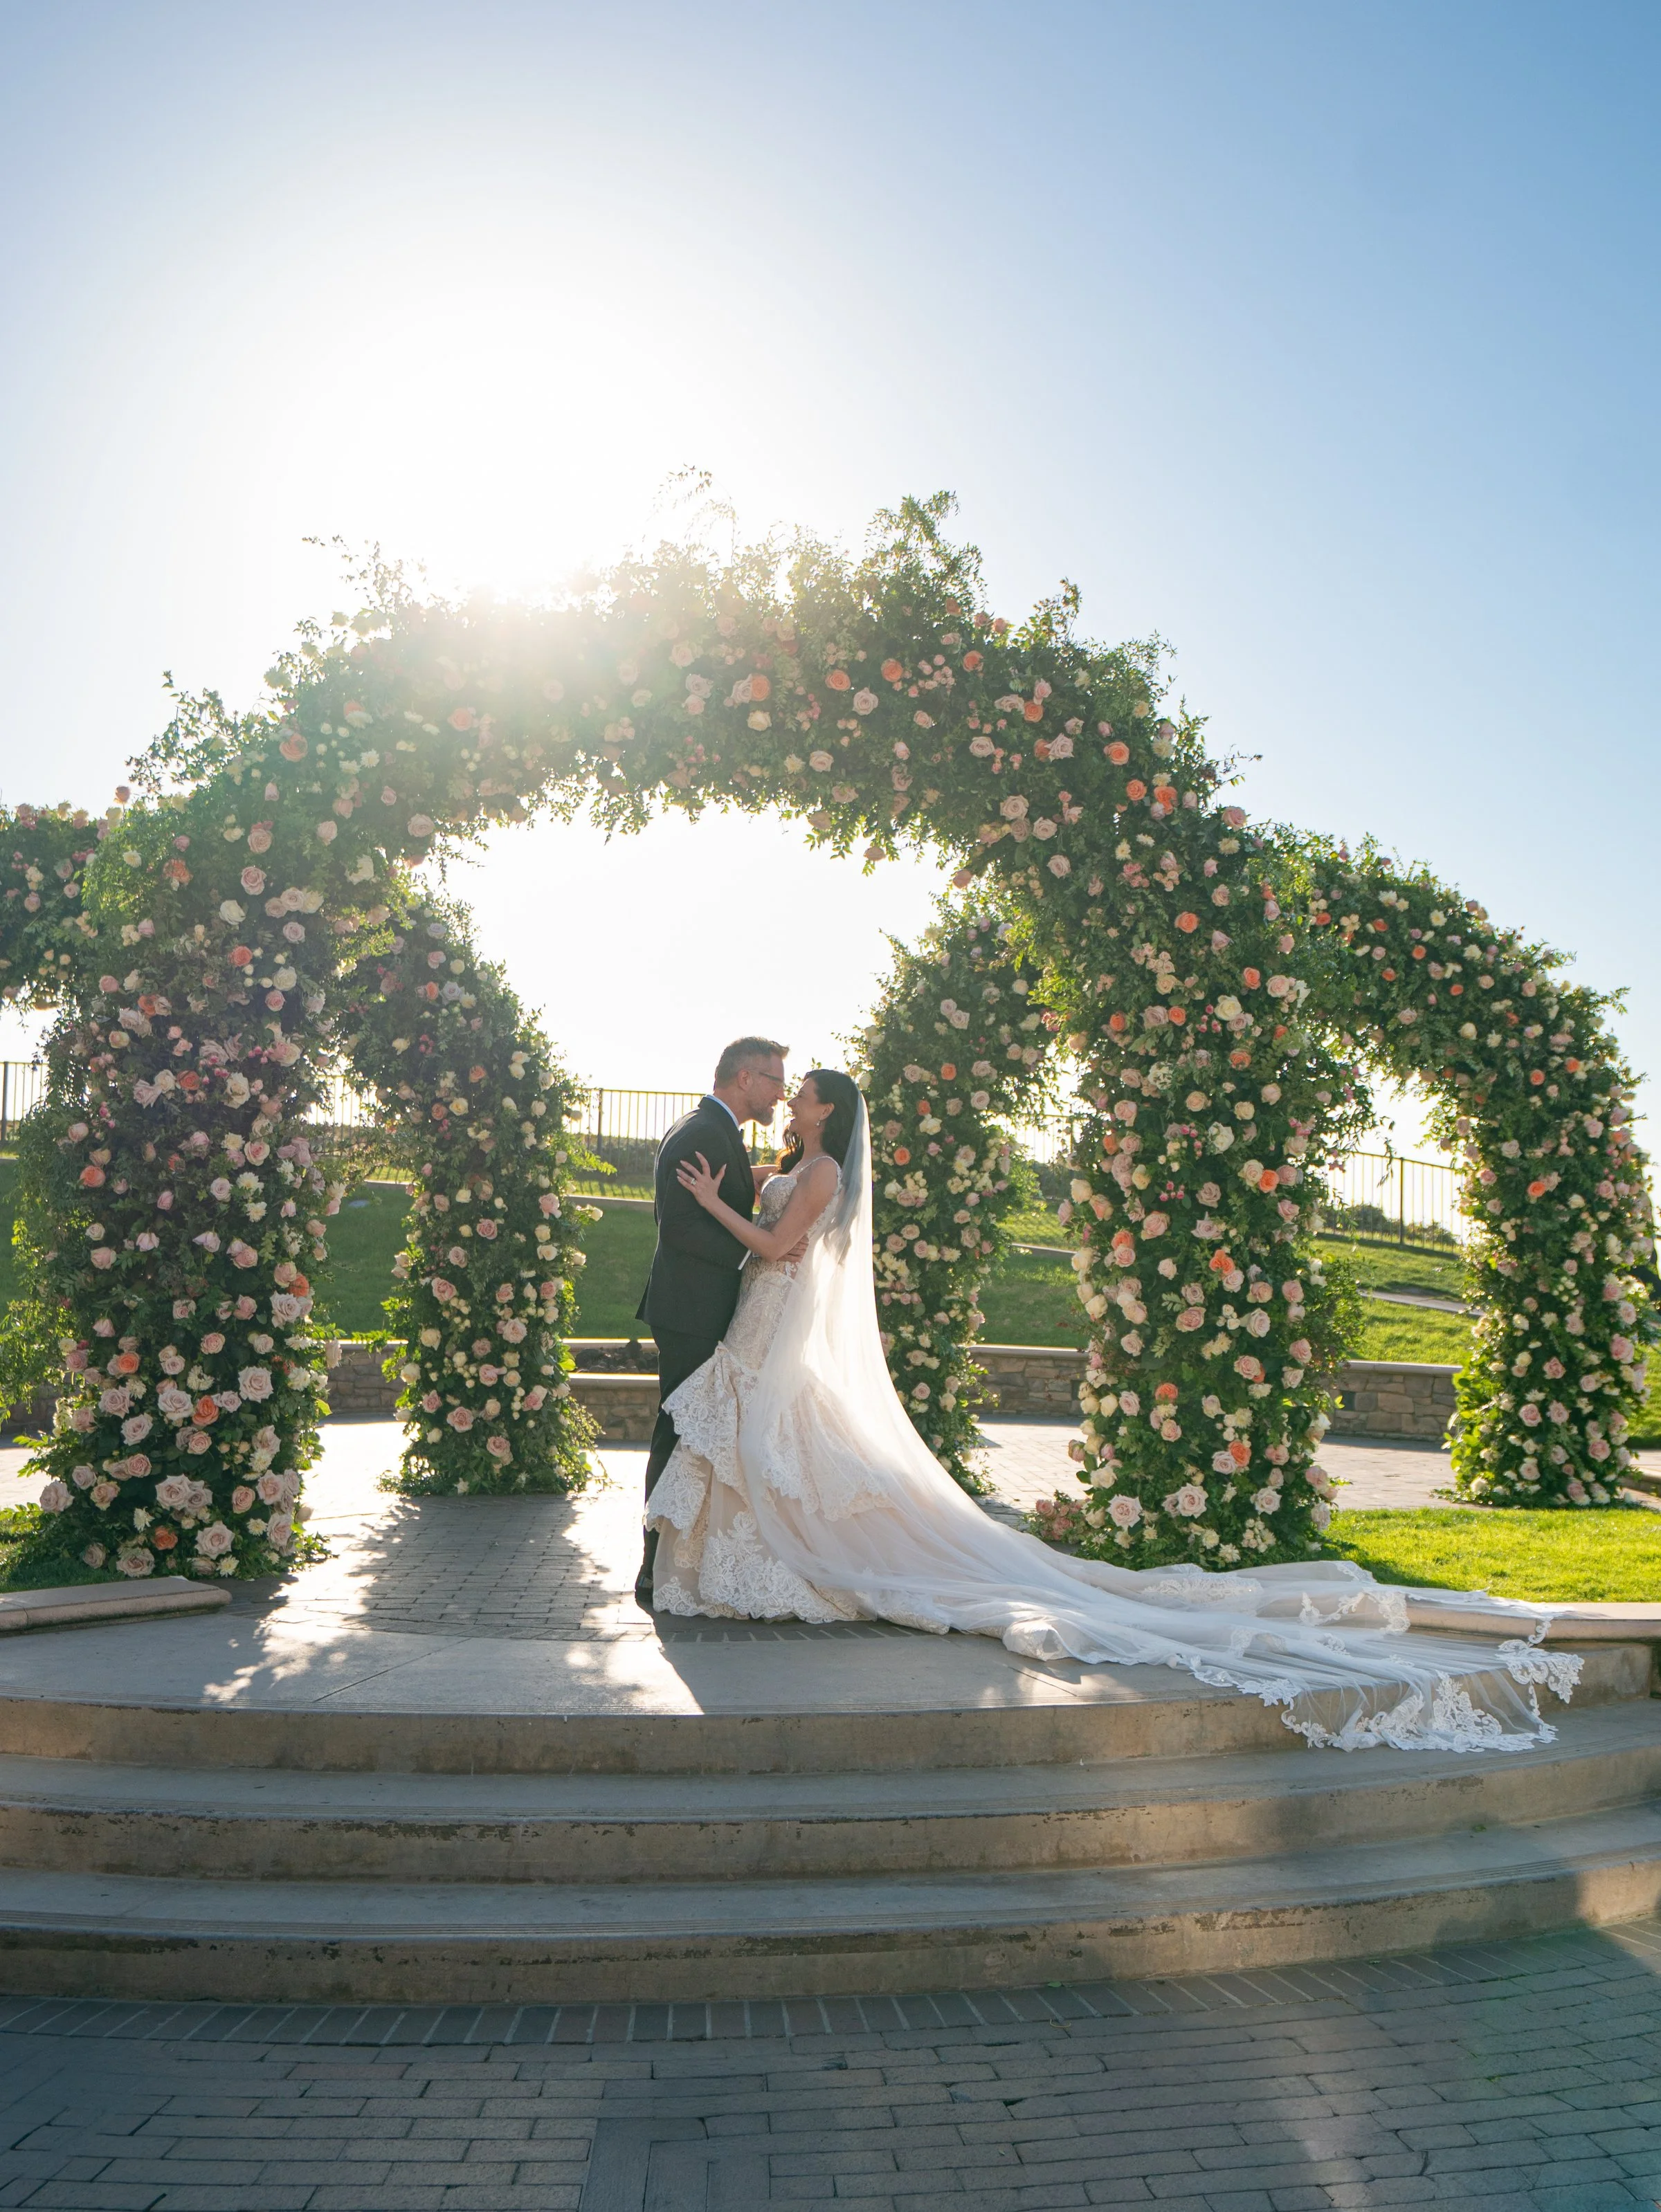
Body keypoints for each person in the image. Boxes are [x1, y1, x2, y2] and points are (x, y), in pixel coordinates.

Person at [644, 1069, 1583, 1755]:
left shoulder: (825, 1178)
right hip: (759, 1323)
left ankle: (777, 1559)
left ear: (829, 1112)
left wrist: (712, 1207)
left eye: (805, 1090)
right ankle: (735, 1558)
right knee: (762, 1442)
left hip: (770, 1316)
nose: (795, 1095)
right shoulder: (793, 1162)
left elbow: (776, 1243)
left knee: (771, 1443)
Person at [633, 1037, 789, 1609]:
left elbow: (720, 1200)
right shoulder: (702, 1132)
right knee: (678, 1431)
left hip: (701, 1309)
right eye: (775, 1079)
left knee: (692, 1432)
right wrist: (756, 1254)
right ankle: (654, 1563)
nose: (782, 1091)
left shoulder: (716, 1130)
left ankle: (678, 1557)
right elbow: (679, 1227)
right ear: (745, 1078)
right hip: (690, 1311)